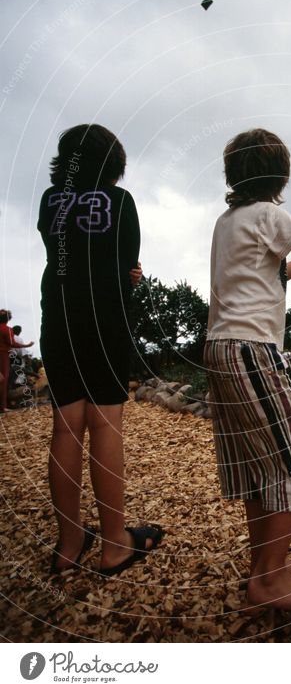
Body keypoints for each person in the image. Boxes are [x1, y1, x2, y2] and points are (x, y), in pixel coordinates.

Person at [204, 128, 291, 614]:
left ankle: (267, 566)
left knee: (258, 464)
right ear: (279, 175)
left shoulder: (229, 221)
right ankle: (266, 583)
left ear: (234, 174)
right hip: (252, 350)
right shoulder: (270, 215)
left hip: (220, 348)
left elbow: (275, 272)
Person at [38, 124, 163, 575]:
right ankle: (115, 545)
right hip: (104, 317)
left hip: (58, 317)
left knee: (65, 429)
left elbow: (63, 254)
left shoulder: (50, 200)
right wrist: (130, 274)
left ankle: (69, 546)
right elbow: (125, 263)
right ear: (114, 162)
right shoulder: (120, 202)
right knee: (105, 424)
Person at [0, 310, 34, 413]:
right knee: (3, 381)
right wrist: (27, 345)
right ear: (8, 319)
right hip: (3, 356)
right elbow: (13, 344)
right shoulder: (7, 330)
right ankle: (3, 406)